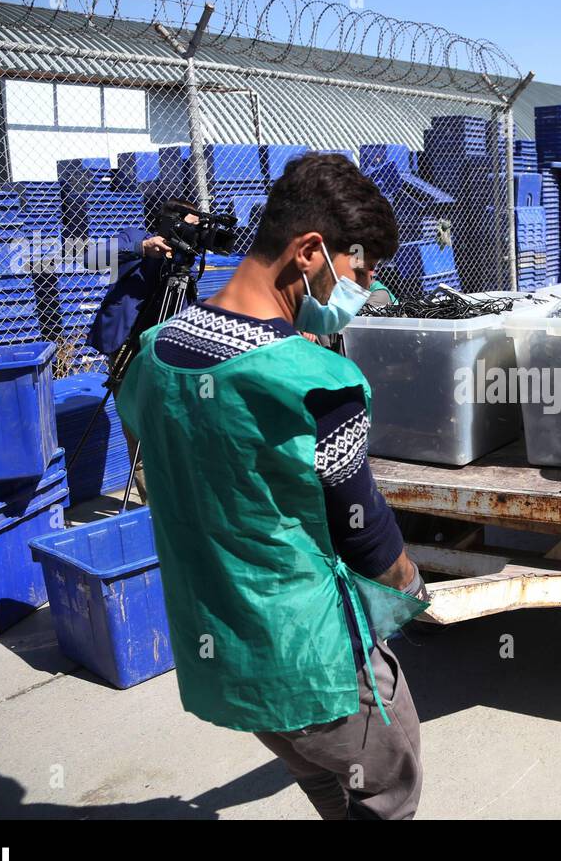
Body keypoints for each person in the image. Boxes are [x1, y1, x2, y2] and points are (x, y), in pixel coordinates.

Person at [116, 153, 430, 820]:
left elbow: (152, 465)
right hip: (315, 664)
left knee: (320, 778)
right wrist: (410, 587)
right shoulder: (315, 381)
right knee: (387, 789)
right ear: (311, 251)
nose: (364, 289)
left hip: (224, 652)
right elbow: (364, 535)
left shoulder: (153, 354)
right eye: (359, 271)